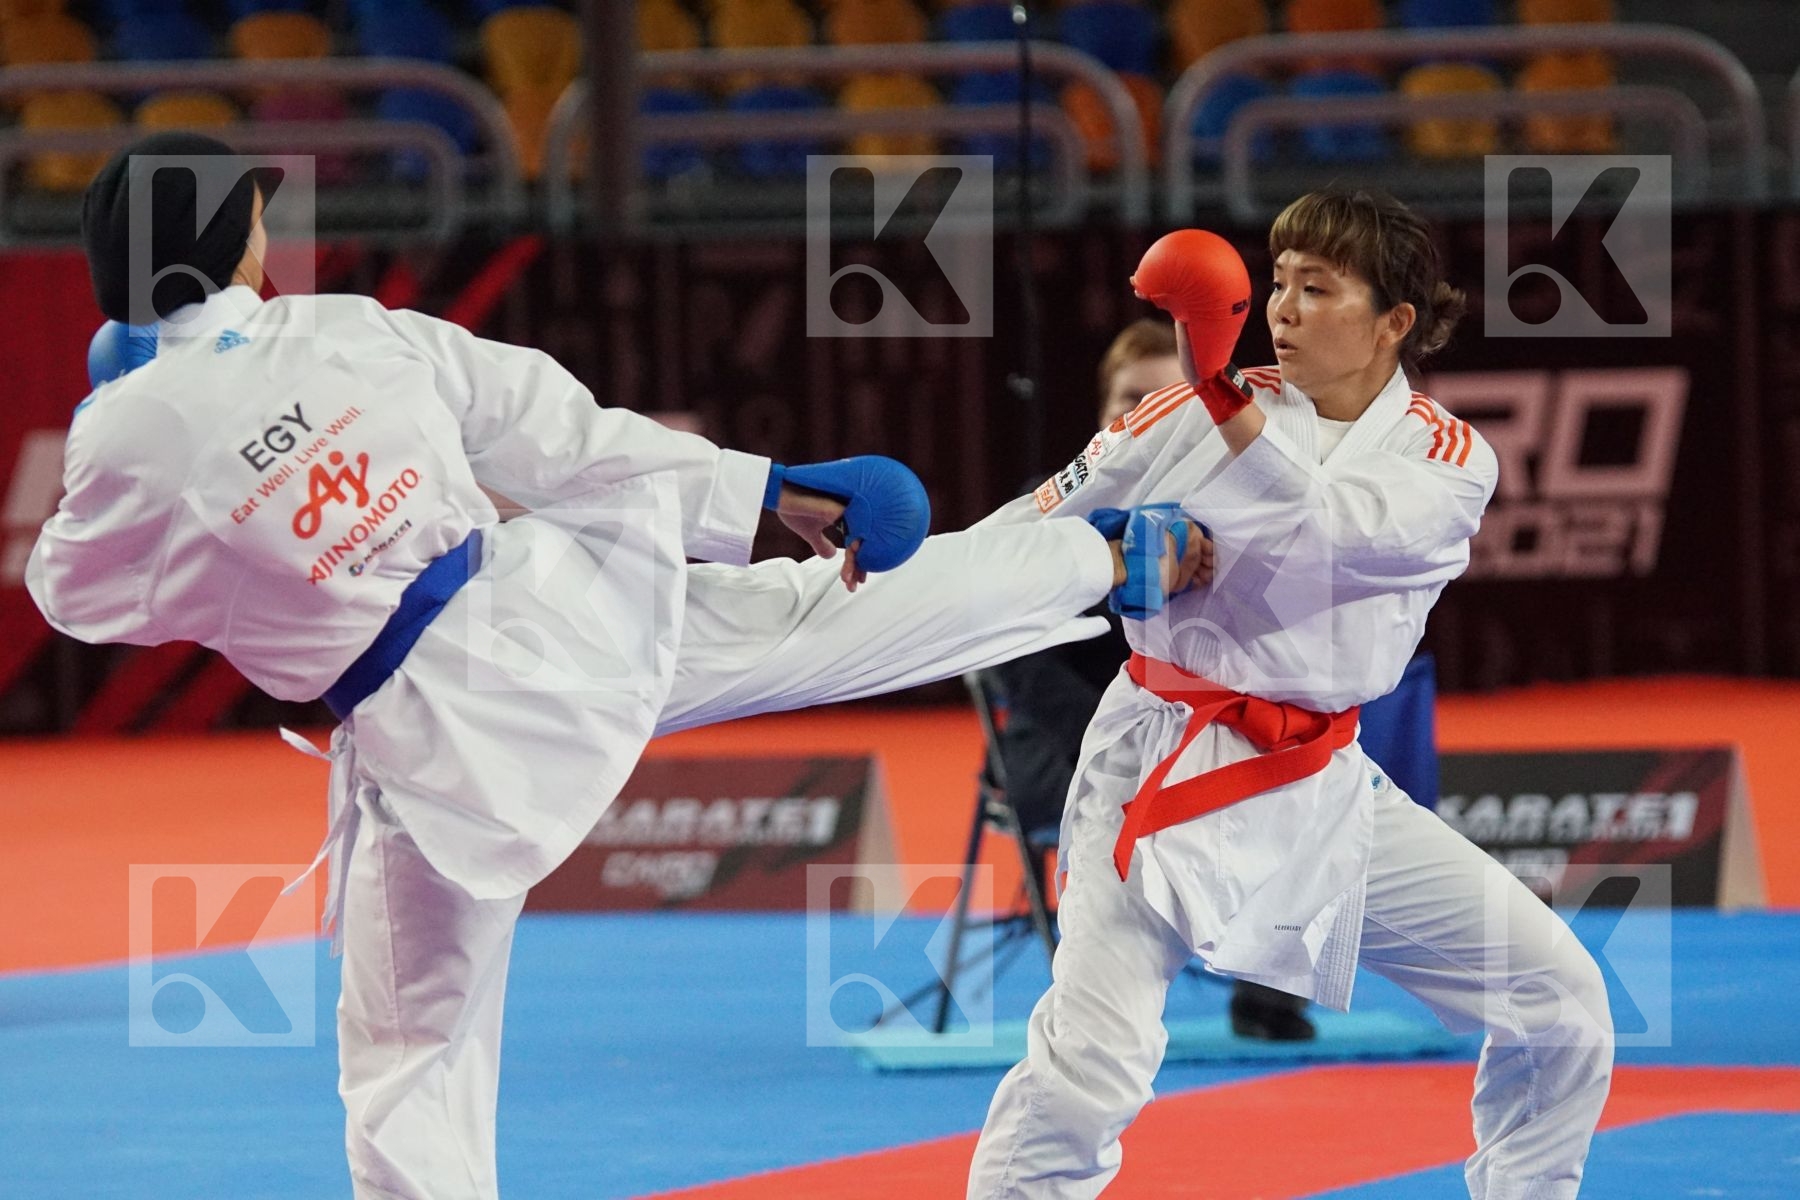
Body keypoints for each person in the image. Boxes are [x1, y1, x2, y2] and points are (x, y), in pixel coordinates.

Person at [30, 132, 1205, 1200]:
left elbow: (74, 597)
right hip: (559, 614)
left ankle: (1083, 560)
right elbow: (565, 434)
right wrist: (778, 491)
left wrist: (158, 458)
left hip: (435, 736)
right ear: (236, 239)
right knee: (814, 619)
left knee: (411, 1052)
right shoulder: (349, 329)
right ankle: (1098, 560)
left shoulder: (132, 431)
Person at [968, 190, 1613, 1199]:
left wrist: (1227, 410)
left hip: (1319, 784)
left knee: (1558, 999)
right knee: (1092, 1066)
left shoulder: (1445, 457)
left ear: (1394, 321)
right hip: (1158, 757)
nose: (1283, 308)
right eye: (1275, 284)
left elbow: (1329, 533)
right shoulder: (1182, 412)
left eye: (1318, 288)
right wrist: (886, 573)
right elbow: (1020, 533)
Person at [989, 317, 1315, 1042]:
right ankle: (1101, 1015)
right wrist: (1119, 733)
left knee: (1299, 768)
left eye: (1165, 399)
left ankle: (1269, 992)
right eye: (1129, 399)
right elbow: (1009, 654)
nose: (1145, 414)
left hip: (1200, 740)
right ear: (1104, 412)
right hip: (1066, 748)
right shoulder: (1051, 507)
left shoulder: (1238, 520)